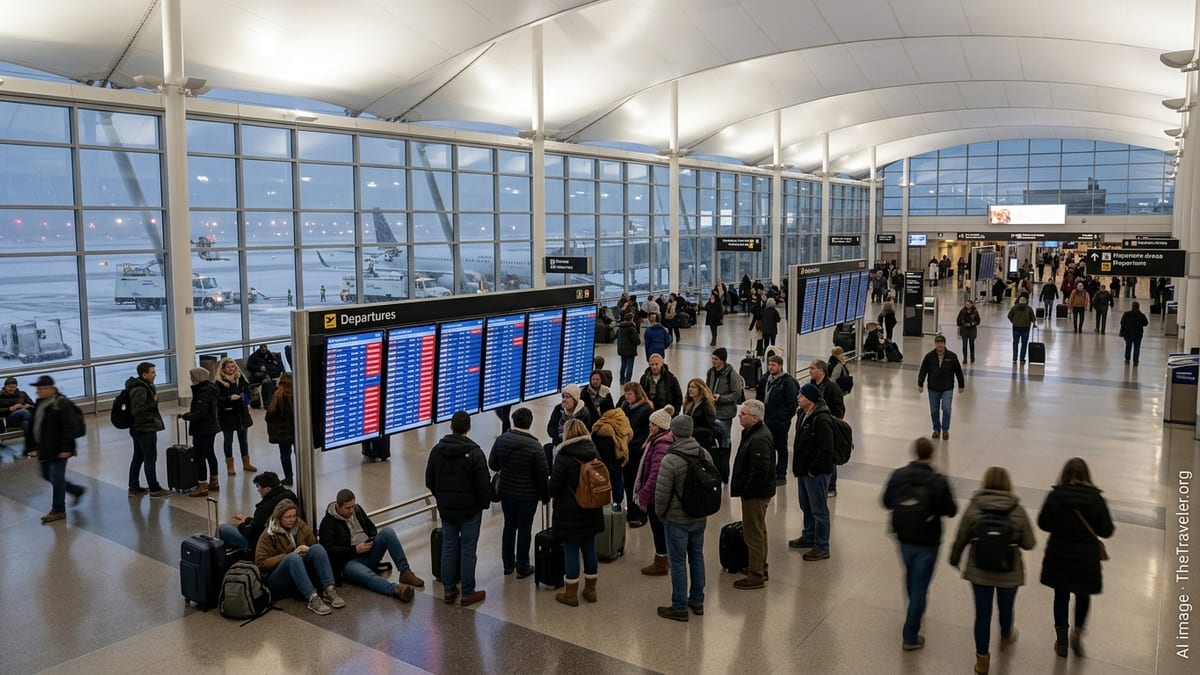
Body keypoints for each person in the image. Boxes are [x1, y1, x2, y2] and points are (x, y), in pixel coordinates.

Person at [949, 467, 1037, 675]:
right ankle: (1006, 634)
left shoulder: (975, 506)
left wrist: (955, 557)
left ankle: (982, 660)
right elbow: (1029, 543)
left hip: (979, 570)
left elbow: (962, 535)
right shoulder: (1017, 509)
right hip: (1010, 572)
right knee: (1006, 608)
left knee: (982, 614)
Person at [882, 437, 959, 651]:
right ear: (931, 455)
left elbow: (886, 501)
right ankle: (910, 634)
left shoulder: (898, 475)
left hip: (904, 536)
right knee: (921, 585)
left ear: (914, 452)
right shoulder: (938, 481)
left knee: (910, 573)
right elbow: (951, 510)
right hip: (928, 540)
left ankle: (914, 609)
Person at [1035, 458, 1115, 659]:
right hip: (1086, 560)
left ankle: (1061, 641)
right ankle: (1077, 635)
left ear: (1065, 474)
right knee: (1083, 596)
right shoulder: (1096, 499)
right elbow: (1107, 530)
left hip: (1059, 555)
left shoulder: (1056, 496)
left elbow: (1043, 523)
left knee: (1060, 596)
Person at [425, 411, 491, 607]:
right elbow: (483, 485)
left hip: (447, 510)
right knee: (468, 550)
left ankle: (448, 591)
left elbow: (429, 480)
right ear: (469, 428)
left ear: (450, 427)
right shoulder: (475, 453)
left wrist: (442, 498)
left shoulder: (437, 450)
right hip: (470, 511)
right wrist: (483, 504)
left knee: (448, 548)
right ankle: (468, 593)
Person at [318, 488, 425, 603]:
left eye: (353, 506)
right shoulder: (327, 523)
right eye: (347, 508)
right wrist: (355, 550)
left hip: (367, 551)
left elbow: (371, 528)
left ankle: (405, 571)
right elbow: (329, 551)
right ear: (338, 507)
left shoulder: (357, 510)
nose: (351, 510)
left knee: (387, 532)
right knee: (368, 576)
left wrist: (372, 539)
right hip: (347, 563)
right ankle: (396, 590)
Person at [653, 414, 712, 621]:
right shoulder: (703, 453)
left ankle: (678, 606)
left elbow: (662, 494)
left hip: (677, 520)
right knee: (697, 557)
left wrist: (660, 514)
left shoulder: (671, 459)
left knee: (678, 562)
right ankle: (697, 600)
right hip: (699, 516)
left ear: (673, 433)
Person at [548, 419, 605, 606]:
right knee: (589, 548)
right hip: (592, 508)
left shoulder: (564, 457)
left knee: (571, 551)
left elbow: (554, 488)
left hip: (569, 512)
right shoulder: (594, 452)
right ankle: (591, 590)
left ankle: (570, 594)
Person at [255, 499, 343, 616]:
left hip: (299, 567)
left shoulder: (299, 525)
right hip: (276, 577)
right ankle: (312, 598)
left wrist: (306, 549)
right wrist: (288, 555)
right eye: (288, 517)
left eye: (294, 516)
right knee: (293, 558)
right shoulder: (268, 535)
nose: (292, 520)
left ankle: (329, 589)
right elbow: (260, 563)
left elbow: (312, 544)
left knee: (318, 548)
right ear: (279, 517)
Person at [489, 407, 548, 577]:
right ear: (530, 423)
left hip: (507, 492)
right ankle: (522, 565)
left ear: (513, 421)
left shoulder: (502, 440)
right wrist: (545, 495)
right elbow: (542, 475)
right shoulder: (536, 446)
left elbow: (493, 464)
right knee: (524, 528)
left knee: (509, 526)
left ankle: (508, 564)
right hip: (528, 495)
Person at [27, 376, 86, 523]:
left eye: (40, 389)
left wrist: (66, 448)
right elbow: (36, 424)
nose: (38, 392)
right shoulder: (41, 403)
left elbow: (69, 426)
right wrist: (33, 445)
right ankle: (76, 490)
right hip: (46, 448)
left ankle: (58, 509)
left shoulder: (61, 403)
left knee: (57, 478)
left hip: (59, 449)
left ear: (50, 389)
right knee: (46, 475)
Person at [730, 400, 775, 589]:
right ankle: (760, 566)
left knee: (752, 533)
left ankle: (755, 574)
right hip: (757, 491)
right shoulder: (753, 433)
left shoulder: (759, 438)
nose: (739, 417)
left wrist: (747, 491)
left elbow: (759, 470)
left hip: (755, 494)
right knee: (759, 530)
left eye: (743, 414)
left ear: (755, 417)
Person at [789, 383, 835, 561]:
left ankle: (822, 546)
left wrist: (814, 470)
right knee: (806, 506)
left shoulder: (821, 418)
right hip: (803, 471)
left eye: (801, 395)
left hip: (815, 473)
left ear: (810, 399)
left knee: (819, 510)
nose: (798, 398)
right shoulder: (802, 414)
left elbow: (826, 449)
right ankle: (808, 536)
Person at [634, 404, 676, 577]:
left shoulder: (661, 445)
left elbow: (655, 474)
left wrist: (643, 493)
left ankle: (661, 562)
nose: (649, 426)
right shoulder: (660, 440)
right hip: (658, 494)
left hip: (655, 496)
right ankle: (666, 559)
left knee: (658, 529)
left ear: (660, 426)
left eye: (652, 424)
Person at [218, 471, 298, 551]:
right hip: (288, 538)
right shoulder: (290, 496)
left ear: (267, 489)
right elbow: (263, 524)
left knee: (223, 528)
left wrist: (240, 525)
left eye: (258, 486)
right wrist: (247, 520)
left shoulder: (264, 508)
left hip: (261, 545)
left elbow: (252, 535)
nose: (258, 490)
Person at [126, 362, 168, 499]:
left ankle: (134, 486)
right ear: (144, 374)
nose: (155, 374)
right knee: (149, 458)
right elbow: (138, 410)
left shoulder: (139, 386)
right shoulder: (141, 389)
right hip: (144, 428)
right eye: (152, 372)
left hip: (138, 428)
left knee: (138, 457)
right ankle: (154, 488)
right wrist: (153, 402)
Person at [754, 354, 798, 484]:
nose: (770, 367)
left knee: (781, 447)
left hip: (780, 422)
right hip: (766, 419)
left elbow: (792, 403)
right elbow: (759, 396)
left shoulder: (787, 381)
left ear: (780, 366)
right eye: (769, 364)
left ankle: (781, 474)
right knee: (768, 447)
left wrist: (783, 418)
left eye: (773, 365)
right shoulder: (765, 379)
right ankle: (770, 471)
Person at [179, 367, 220, 496]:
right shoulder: (211, 389)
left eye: (192, 377)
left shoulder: (203, 392)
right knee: (210, 453)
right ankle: (214, 481)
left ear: (197, 378)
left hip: (203, 428)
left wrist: (186, 416)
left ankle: (202, 485)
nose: (191, 379)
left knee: (200, 456)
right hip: (211, 427)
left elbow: (201, 413)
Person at [705, 348, 743, 483]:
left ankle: (724, 473)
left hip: (725, 415)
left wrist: (721, 398)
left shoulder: (731, 374)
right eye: (712, 358)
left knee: (724, 443)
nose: (713, 361)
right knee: (712, 444)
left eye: (716, 359)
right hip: (712, 413)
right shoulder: (711, 373)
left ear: (722, 360)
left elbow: (736, 394)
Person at [917, 335, 965, 440]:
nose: (939, 344)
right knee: (934, 410)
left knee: (946, 408)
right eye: (938, 342)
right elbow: (923, 370)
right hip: (933, 388)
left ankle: (945, 429)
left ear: (945, 343)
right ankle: (936, 429)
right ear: (935, 344)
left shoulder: (952, 356)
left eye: (941, 342)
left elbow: (958, 371)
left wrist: (961, 385)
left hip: (947, 388)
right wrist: (920, 383)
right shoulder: (929, 356)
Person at [808, 359, 844, 496]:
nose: (810, 371)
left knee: (829, 456)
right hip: (814, 426)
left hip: (828, 426)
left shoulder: (832, 388)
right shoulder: (812, 385)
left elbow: (839, 409)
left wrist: (830, 422)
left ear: (821, 371)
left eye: (812, 368)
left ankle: (831, 486)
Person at [214, 357, 256, 476]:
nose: (231, 369)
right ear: (223, 368)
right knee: (228, 441)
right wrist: (229, 398)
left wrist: (246, 397)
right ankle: (230, 466)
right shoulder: (219, 382)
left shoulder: (240, 378)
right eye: (228, 367)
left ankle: (246, 463)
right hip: (227, 415)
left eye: (233, 367)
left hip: (242, 414)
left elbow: (248, 392)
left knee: (243, 440)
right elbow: (217, 400)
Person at [619, 382, 653, 527]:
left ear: (637, 394)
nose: (627, 396)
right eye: (626, 394)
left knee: (638, 482)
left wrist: (640, 445)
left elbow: (648, 431)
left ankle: (640, 513)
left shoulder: (646, 409)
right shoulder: (625, 406)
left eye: (630, 394)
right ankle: (631, 511)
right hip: (626, 450)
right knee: (628, 483)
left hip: (638, 450)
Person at [592, 407, 632, 511]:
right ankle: (618, 504)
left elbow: (595, 436)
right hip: (619, 456)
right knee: (618, 482)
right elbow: (630, 434)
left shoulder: (602, 426)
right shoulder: (622, 418)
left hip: (606, 459)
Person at [264, 373, 295, 486]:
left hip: (283, 432)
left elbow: (269, 415)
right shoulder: (297, 393)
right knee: (298, 453)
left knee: (285, 455)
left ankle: (288, 477)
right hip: (296, 431)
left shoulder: (278, 394)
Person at [1, 376, 36, 457]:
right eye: (9, 387)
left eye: (13, 387)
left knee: (26, 423)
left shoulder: (22, 394)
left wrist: (28, 406)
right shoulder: (1, 396)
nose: (11, 389)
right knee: (23, 412)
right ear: (5, 386)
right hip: (9, 419)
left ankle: (30, 449)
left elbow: (33, 405)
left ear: (16, 386)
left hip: (24, 418)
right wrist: (10, 408)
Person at [682, 378, 717, 455]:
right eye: (689, 387)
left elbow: (710, 427)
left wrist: (693, 430)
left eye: (693, 387)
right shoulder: (687, 404)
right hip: (689, 440)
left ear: (700, 389)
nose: (690, 389)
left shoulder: (707, 405)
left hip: (702, 441)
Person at [1007, 295, 1037, 363]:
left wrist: (1013, 321)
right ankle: (1022, 359)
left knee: (1015, 343)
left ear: (1019, 301)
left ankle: (1014, 358)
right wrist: (1033, 323)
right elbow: (1033, 318)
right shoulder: (1029, 308)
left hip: (1016, 328)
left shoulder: (1014, 307)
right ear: (1026, 301)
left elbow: (1009, 316)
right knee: (1024, 344)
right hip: (1025, 329)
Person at [616, 312, 641, 384]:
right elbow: (636, 341)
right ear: (631, 319)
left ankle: (621, 380)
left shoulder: (620, 327)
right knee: (630, 366)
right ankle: (628, 381)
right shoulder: (631, 328)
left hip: (621, 349)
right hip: (630, 350)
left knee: (623, 365)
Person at [956, 299, 981, 363]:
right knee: (964, 345)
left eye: (969, 304)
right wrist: (959, 328)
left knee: (971, 344)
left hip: (972, 330)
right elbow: (959, 320)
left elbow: (978, 321)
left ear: (972, 305)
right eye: (966, 304)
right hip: (964, 329)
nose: (967, 305)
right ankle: (965, 358)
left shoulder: (975, 311)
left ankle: (972, 357)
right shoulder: (962, 311)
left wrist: (972, 323)